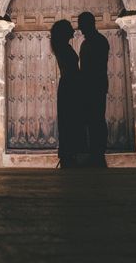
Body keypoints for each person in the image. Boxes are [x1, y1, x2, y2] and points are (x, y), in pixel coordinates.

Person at [78, 11, 110, 168]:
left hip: (95, 87)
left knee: (97, 119)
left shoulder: (99, 41)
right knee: (90, 121)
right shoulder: (87, 42)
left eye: (82, 25)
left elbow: (97, 66)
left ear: (89, 24)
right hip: (87, 88)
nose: (80, 28)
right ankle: (93, 153)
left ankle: (98, 152)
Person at [50, 20, 83, 169]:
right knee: (70, 120)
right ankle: (69, 156)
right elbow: (71, 69)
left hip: (69, 85)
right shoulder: (63, 47)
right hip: (70, 85)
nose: (73, 30)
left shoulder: (61, 46)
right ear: (64, 32)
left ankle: (69, 155)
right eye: (70, 28)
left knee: (70, 120)